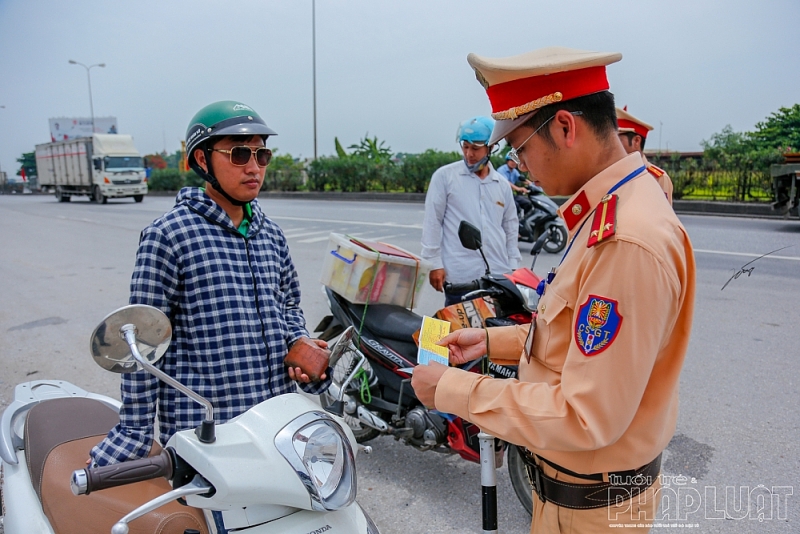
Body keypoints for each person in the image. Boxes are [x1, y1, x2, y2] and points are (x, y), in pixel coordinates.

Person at [412, 47, 695, 533]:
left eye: (520, 148)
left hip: (592, 510)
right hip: (574, 496)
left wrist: (453, 390)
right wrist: (491, 340)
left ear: (565, 126)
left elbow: (585, 415)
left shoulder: (624, 239)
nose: (518, 166)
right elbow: (573, 344)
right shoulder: (611, 208)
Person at [91, 100, 329, 468]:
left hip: (276, 424)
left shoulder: (271, 235)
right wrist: (136, 433)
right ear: (202, 160)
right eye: (238, 154)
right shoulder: (168, 236)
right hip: (207, 435)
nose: (253, 167)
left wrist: (298, 343)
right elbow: (140, 341)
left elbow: (289, 306)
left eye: (261, 154)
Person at [421, 116, 520, 306]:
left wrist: (513, 266)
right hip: (461, 277)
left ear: (490, 148)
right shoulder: (445, 177)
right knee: (459, 333)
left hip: (499, 276)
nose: (469, 154)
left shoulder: (501, 184)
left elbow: (510, 226)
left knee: (495, 334)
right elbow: (432, 221)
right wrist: (434, 263)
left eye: (475, 148)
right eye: (465, 147)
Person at [617, 106, 674, 204]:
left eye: (618, 139)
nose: (614, 144)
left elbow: (663, 217)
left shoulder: (658, 178)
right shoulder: (612, 173)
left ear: (636, 141)